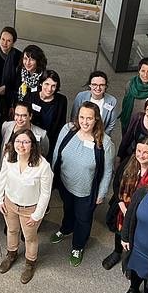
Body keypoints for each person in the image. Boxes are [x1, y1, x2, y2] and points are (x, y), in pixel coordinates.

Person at [50, 102, 114, 266]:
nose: (85, 122)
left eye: (89, 118)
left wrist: (101, 193)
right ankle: (65, 228)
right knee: (68, 208)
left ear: (96, 119)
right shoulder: (68, 129)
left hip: (87, 191)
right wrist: (51, 176)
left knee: (83, 219)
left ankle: (78, 245)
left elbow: (107, 171)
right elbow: (57, 152)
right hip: (65, 183)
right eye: (82, 117)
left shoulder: (105, 142)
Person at [0, 128, 53, 284]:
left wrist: (37, 215)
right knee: (12, 230)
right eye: (18, 141)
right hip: (10, 203)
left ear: (33, 145)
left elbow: (45, 194)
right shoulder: (9, 157)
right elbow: (2, 177)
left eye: (26, 142)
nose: (21, 145)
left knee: (30, 238)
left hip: (30, 208)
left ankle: (30, 263)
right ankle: (11, 254)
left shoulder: (43, 166)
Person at [102, 138, 148, 270]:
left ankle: (130, 259)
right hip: (122, 209)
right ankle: (117, 252)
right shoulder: (128, 163)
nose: (141, 155)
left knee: (136, 237)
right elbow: (116, 184)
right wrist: (121, 205)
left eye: (146, 152)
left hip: (143, 214)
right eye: (139, 151)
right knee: (119, 231)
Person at [25, 69, 67, 161]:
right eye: (47, 84)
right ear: (41, 83)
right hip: (31, 139)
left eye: (53, 86)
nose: (49, 89)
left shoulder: (62, 101)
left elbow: (61, 124)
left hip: (51, 141)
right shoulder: (30, 97)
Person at [119, 57, 148, 131]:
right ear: (139, 71)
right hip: (128, 121)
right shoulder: (130, 84)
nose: (145, 75)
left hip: (144, 126)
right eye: (143, 71)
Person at [71, 70, 118, 135]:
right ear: (90, 85)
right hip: (81, 133)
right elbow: (74, 117)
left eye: (101, 85)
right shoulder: (80, 96)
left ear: (106, 86)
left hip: (101, 135)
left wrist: (101, 137)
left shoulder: (112, 101)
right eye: (94, 84)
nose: (98, 88)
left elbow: (111, 124)